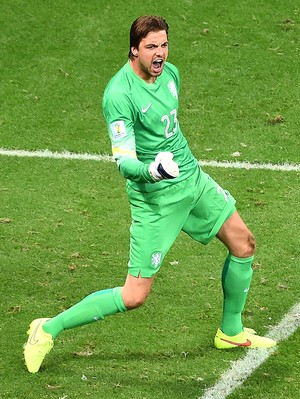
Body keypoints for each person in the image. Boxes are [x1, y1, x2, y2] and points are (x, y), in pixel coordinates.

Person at [24, 15, 276, 374]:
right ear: (133, 49)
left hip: (191, 181)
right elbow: (124, 162)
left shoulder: (170, 74)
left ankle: (231, 331)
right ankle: (47, 328)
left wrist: (179, 167)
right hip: (156, 200)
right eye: (151, 47)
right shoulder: (119, 94)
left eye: (164, 45)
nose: (160, 54)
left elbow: (168, 130)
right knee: (134, 296)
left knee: (244, 244)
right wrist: (153, 170)